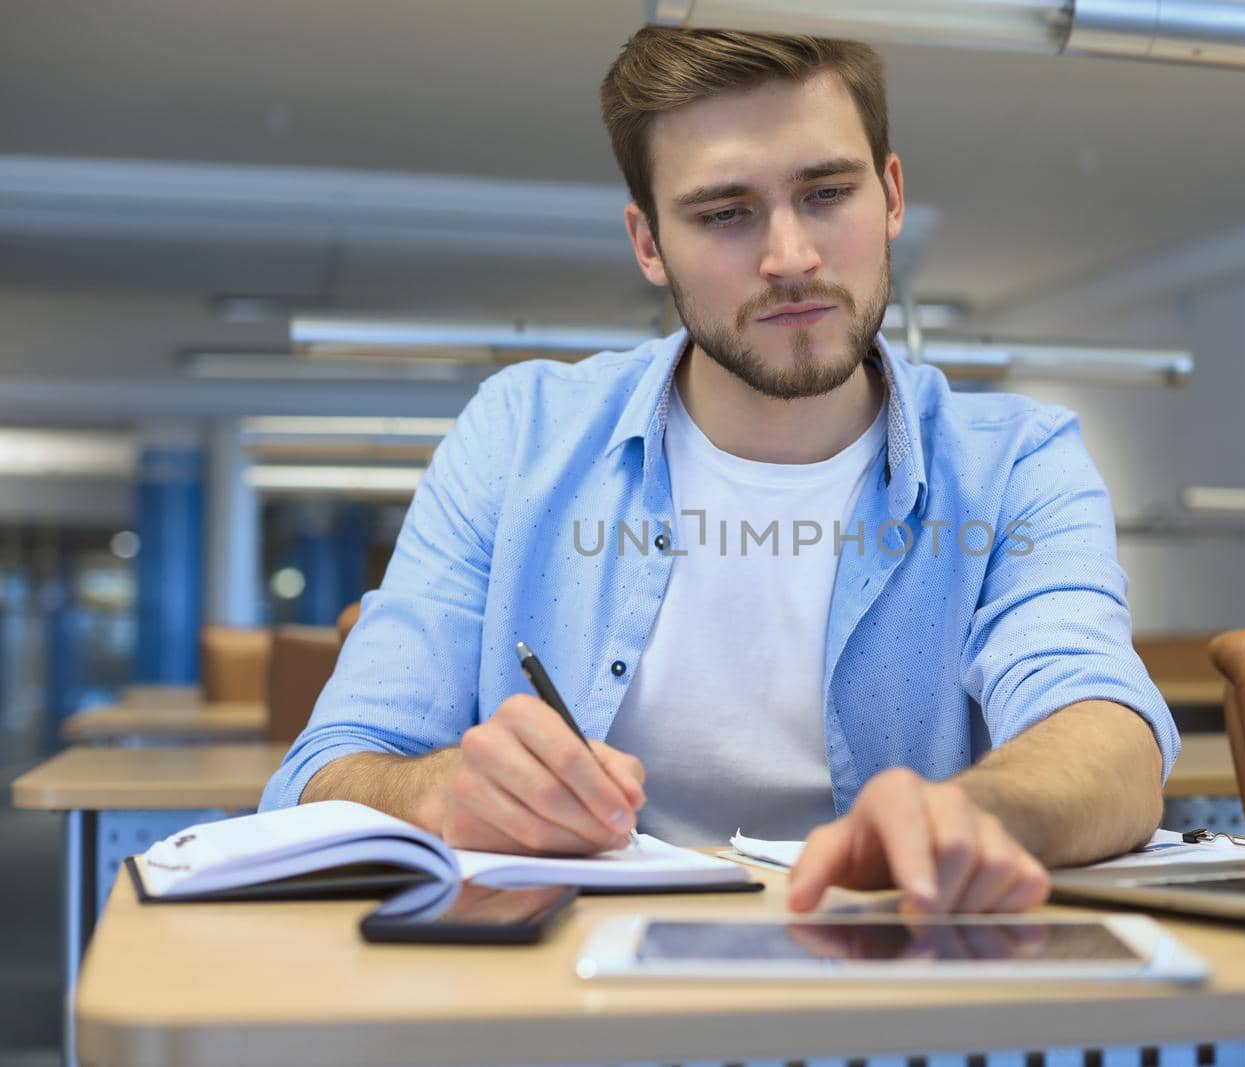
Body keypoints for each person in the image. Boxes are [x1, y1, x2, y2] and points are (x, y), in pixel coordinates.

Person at [261, 27, 1178, 915]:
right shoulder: (518, 436)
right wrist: (437, 792)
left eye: (826, 193)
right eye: (725, 213)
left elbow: (1108, 735)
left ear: (891, 196)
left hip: (899, 989)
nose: (791, 257)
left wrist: (975, 812)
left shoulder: (1018, 459)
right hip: (576, 1001)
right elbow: (326, 770)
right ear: (649, 243)